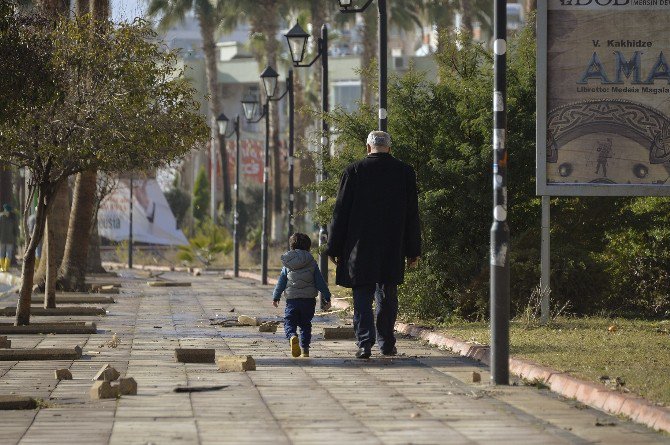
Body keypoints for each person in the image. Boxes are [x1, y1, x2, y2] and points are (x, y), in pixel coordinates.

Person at [326, 131, 421, 359]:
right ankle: (387, 343)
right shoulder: (405, 172)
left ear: (368, 148)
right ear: (390, 148)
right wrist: (413, 249)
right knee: (387, 293)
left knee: (362, 294)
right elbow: (412, 214)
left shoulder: (354, 171)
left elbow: (341, 212)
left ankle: (364, 343)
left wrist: (334, 247)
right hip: (392, 245)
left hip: (360, 247)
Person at [272, 233, 332, 358]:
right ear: (308, 247)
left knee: (289, 322)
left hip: (292, 300)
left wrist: (276, 296)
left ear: (292, 246)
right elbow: (320, 282)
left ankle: (292, 336)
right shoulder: (312, 262)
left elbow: (281, 282)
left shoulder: (288, 264)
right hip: (308, 301)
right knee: (305, 324)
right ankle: (305, 349)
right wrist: (327, 296)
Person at [0, 204, 18, 272]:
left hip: (8, 239)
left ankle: (5, 267)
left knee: (8, 253)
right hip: (3, 239)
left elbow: (15, 228)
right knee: (3, 253)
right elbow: (16, 229)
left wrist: (16, 236)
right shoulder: (2, 217)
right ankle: (3, 267)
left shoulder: (12, 218)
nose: (7, 212)